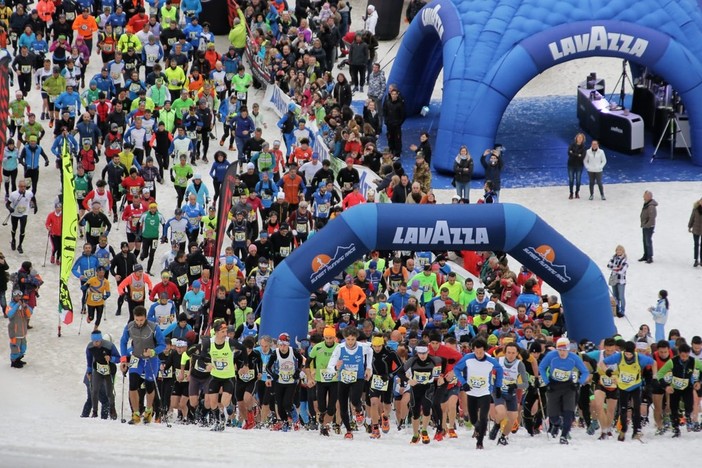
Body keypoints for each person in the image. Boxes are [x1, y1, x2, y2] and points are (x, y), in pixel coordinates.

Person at [119, 305, 166, 425]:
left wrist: (153, 351)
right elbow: (123, 341)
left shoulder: (153, 327)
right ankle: (135, 414)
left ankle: (149, 410)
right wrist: (124, 358)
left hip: (150, 359)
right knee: (133, 385)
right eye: (137, 320)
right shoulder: (130, 326)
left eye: (141, 320)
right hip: (136, 358)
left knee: (150, 386)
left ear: (145, 317)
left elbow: (162, 345)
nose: (139, 323)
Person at [453, 338, 503, 449]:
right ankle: (477, 427)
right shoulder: (467, 358)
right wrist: (464, 382)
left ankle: (480, 442)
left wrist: (498, 386)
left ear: (484, 350)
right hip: (471, 392)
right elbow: (456, 369)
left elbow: (500, 370)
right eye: (476, 352)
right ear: (473, 350)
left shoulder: (490, 360)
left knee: (484, 417)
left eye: (481, 352)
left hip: (485, 392)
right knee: (474, 419)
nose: (479, 354)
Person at [600, 340, 656, 441]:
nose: (628, 356)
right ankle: (623, 429)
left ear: (633, 352)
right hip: (622, 387)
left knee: (636, 408)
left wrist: (655, 376)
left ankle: (636, 430)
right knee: (624, 409)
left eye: (630, 354)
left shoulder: (640, 358)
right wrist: (608, 371)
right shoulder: (619, 356)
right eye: (626, 353)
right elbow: (602, 363)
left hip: (635, 386)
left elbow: (654, 363)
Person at [538, 337, 590, 444]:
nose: (562, 353)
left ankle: (564, 436)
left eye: (564, 350)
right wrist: (547, 382)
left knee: (568, 412)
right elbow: (542, 367)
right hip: (554, 385)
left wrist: (579, 383)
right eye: (560, 350)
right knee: (552, 416)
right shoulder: (551, 356)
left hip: (568, 386)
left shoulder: (573, 358)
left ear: (568, 350)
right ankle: (557, 424)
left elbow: (585, 372)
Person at [326, 326, 372, 439]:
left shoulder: (362, 347)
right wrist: (336, 368)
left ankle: (359, 409)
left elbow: (371, 351)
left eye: (353, 339)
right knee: (342, 405)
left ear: (356, 338)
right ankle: (348, 430)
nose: (350, 342)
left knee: (355, 399)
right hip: (343, 379)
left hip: (358, 377)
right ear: (344, 339)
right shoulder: (339, 348)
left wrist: (369, 367)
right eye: (348, 339)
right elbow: (330, 366)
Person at [655, 343, 702, 437]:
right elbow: (659, 374)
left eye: (687, 356)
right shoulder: (672, 361)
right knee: (673, 408)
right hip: (674, 388)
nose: (684, 358)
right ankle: (676, 429)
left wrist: (699, 382)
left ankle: (688, 417)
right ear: (679, 354)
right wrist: (666, 386)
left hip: (687, 387)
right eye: (682, 356)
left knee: (689, 406)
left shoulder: (694, 361)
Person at [85, 330, 120, 418]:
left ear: (101, 340)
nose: (95, 343)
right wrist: (89, 371)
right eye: (94, 341)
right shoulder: (90, 347)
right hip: (98, 369)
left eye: (97, 341)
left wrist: (111, 358)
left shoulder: (109, 346)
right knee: (94, 390)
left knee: (109, 392)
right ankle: (95, 412)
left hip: (109, 369)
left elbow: (118, 358)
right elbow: (89, 360)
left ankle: (112, 409)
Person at [6, 179, 36, 253]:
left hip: (24, 214)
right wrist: (10, 208)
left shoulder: (29, 193)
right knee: (14, 228)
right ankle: (13, 240)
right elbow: (7, 204)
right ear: (18, 187)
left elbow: (33, 198)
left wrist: (36, 206)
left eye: (24, 186)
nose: (23, 188)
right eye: (21, 186)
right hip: (15, 214)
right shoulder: (13, 194)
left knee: (22, 230)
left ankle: (20, 245)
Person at [7, 290, 32, 368]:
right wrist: (17, 305)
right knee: (15, 347)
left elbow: (29, 314)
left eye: (19, 296)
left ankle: (18, 359)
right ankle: (14, 361)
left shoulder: (23, 305)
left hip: (22, 332)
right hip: (14, 331)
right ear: (13, 297)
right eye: (16, 296)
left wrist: (25, 307)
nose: (18, 298)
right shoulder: (11, 305)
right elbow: (9, 314)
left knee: (23, 347)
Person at [606, 245, 628, 318]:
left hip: (621, 280)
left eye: (620, 250)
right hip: (613, 279)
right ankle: (617, 309)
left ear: (623, 251)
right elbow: (609, 265)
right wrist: (617, 268)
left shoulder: (625, 260)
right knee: (615, 296)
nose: (618, 252)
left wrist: (614, 268)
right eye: (617, 250)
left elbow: (622, 271)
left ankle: (622, 310)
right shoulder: (613, 258)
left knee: (621, 296)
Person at [639, 190, 657, 263]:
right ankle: (645, 255)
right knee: (644, 240)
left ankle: (649, 256)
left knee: (648, 241)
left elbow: (652, 217)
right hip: (645, 225)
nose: (643, 197)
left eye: (644, 196)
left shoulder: (651, 206)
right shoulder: (646, 204)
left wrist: (647, 225)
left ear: (649, 197)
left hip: (648, 226)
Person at [567, 132, 586, 199]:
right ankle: (571, 193)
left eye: (581, 138)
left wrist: (574, 154)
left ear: (583, 139)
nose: (580, 139)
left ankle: (577, 192)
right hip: (571, 165)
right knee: (571, 180)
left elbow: (582, 156)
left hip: (579, 165)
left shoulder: (583, 147)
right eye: (579, 137)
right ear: (576, 138)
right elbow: (569, 153)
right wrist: (578, 155)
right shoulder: (572, 145)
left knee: (578, 181)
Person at [688, 197, 702, 267]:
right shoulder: (695, 209)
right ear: (699, 202)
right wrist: (689, 226)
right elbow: (692, 218)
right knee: (696, 245)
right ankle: (696, 260)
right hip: (696, 230)